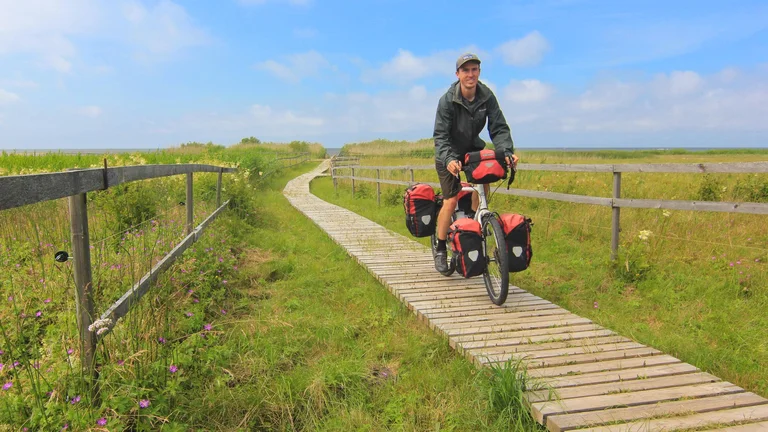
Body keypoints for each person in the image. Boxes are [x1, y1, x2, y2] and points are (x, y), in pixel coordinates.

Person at [432, 52, 519, 274]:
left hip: (472, 148)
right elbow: (440, 137)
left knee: (485, 176)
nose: (470, 74)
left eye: (474, 69)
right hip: (448, 152)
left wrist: (507, 152)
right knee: (450, 200)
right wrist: (450, 159)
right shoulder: (447, 100)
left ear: (479, 72)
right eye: (465, 70)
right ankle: (441, 248)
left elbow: (498, 127)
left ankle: (473, 221)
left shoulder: (486, 95)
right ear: (458, 74)